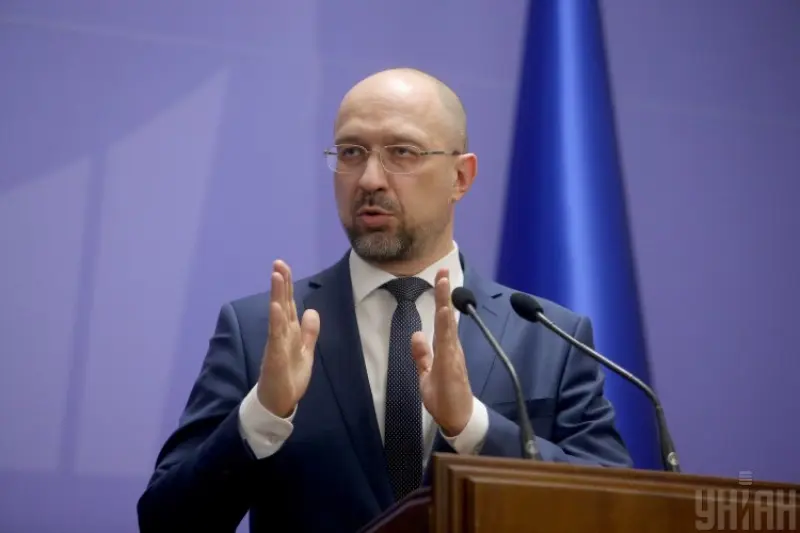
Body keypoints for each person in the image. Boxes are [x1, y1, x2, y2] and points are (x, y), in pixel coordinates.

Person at [136, 67, 632, 533]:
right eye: (351, 152)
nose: (370, 179)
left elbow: (614, 511)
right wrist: (261, 415)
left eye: (402, 152)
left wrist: (473, 426)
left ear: (461, 177)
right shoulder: (258, 332)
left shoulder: (548, 336)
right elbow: (165, 522)